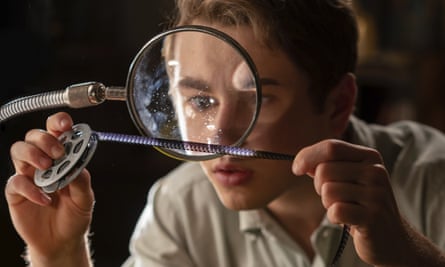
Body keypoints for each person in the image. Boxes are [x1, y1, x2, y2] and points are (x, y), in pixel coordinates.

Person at [5, 0, 445, 266]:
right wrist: (59, 255)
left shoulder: (432, 180)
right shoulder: (180, 207)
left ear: (338, 105)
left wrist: (410, 257)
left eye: (259, 98)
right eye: (199, 101)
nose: (218, 140)